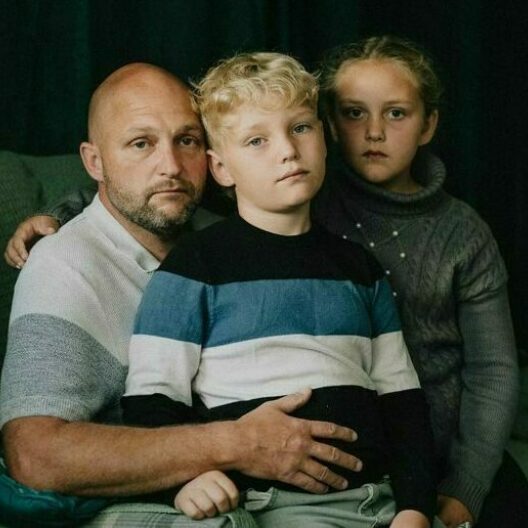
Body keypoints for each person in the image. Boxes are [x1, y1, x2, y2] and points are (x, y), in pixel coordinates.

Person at [0, 62, 364, 526]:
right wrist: (235, 444)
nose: (171, 167)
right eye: (141, 143)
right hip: (130, 503)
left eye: (187, 140)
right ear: (95, 162)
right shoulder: (65, 265)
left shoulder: (229, 237)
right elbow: (36, 455)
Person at [121, 51, 439, 528]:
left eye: (301, 128)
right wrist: (184, 480)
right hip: (273, 506)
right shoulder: (195, 266)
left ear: (326, 139)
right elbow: (151, 398)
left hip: (381, 502)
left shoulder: (359, 267)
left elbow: (402, 401)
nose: (287, 150)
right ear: (221, 169)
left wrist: (415, 508)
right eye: (256, 140)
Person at [313, 35, 525, 528]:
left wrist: (467, 488)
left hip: (446, 453)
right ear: (327, 122)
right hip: (347, 462)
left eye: (396, 114)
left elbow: (493, 368)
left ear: (428, 123)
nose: (374, 133)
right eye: (353, 113)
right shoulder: (308, 205)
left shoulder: (463, 231)